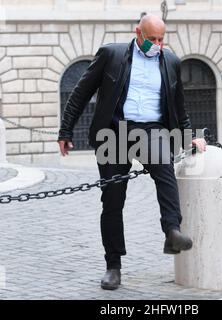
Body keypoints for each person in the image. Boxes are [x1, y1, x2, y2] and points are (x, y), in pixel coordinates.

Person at [57, 14, 207, 290]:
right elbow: (80, 92)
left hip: (151, 129)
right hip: (113, 131)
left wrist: (189, 138)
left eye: (162, 39)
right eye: (152, 39)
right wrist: (65, 131)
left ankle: (172, 231)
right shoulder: (112, 55)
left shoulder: (170, 61)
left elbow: (178, 107)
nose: (158, 45)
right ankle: (113, 266)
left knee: (164, 168)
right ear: (138, 33)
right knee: (113, 200)